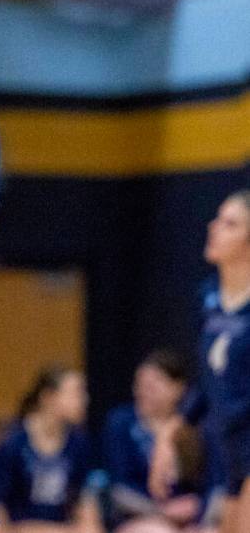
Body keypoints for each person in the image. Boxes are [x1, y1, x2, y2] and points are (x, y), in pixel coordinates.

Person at [150, 190, 250, 533]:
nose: (214, 227)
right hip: (229, 450)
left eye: (230, 223)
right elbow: (207, 383)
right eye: (218, 219)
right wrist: (170, 432)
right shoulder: (207, 299)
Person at [0, 367, 104, 533]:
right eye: (77, 393)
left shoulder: (79, 443)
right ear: (48, 397)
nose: (85, 399)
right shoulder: (11, 442)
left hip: (62, 527)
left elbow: (86, 499)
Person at [103, 350, 203, 533]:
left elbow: (209, 484)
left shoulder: (193, 425)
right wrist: (161, 512)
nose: (144, 391)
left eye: (154, 384)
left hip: (190, 518)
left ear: (178, 388)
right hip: (139, 516)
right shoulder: (121, 422)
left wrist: (197, 505)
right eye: (140, 384)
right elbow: (119, 487)